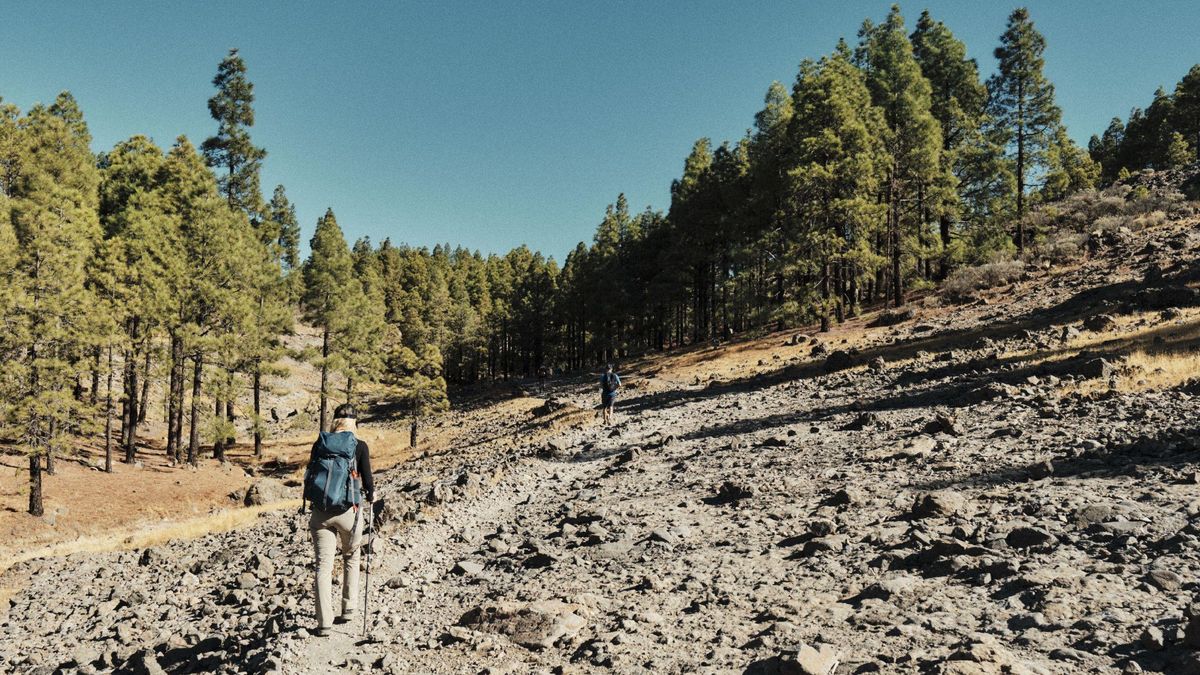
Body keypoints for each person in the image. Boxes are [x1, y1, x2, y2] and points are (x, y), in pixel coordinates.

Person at [302, 403, 374, 637]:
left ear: (335, 422)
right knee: (352, 556)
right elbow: (369, 481)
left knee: (323, 566)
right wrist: (371, 496)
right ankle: (349, 608)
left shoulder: (320, 444)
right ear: (355, 423)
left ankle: (324, 622)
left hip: (321, 512)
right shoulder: (359, 446)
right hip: (348, 512)